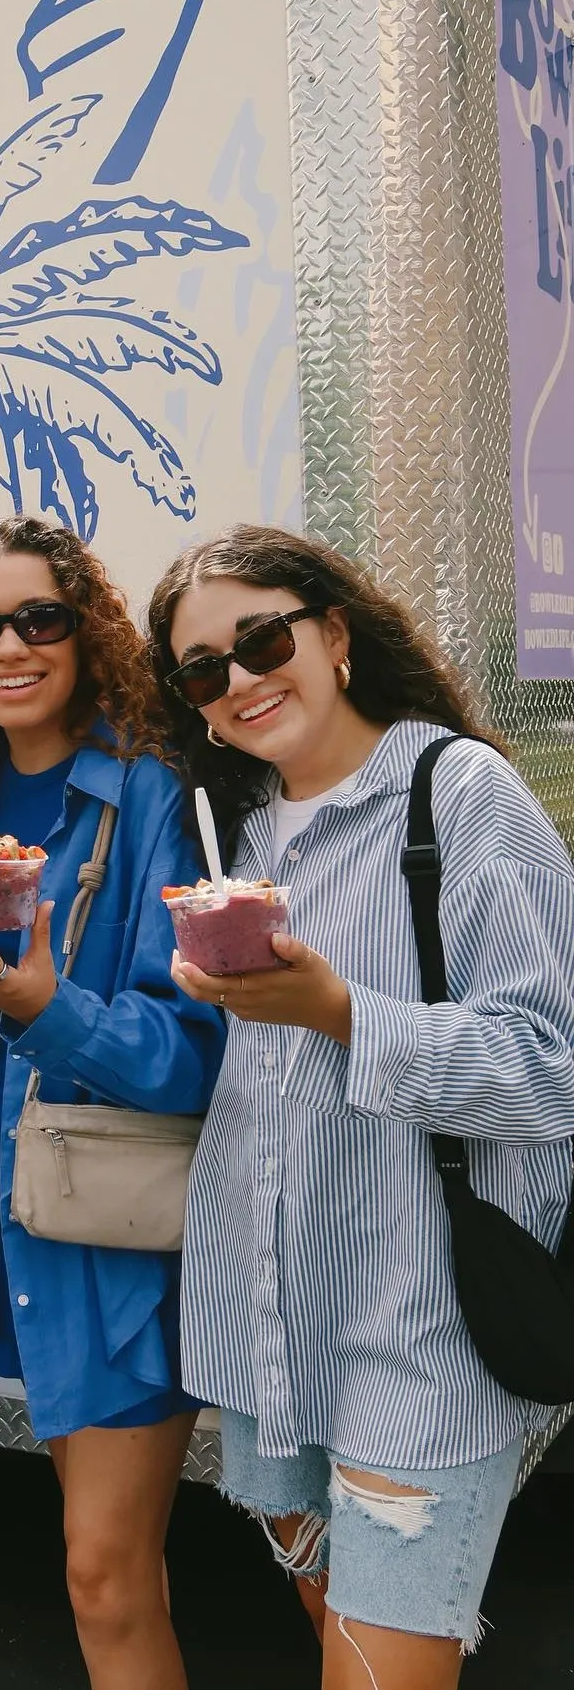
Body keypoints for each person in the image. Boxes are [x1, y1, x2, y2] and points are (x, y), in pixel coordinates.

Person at [147, 524, 574, 1690]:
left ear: (334, 634)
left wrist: (342, 1012)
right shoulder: (243, 833)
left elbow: (550, 1069)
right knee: (337, 1635)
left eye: (261, 639)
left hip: (418, 1327)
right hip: (273, 1329)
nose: (238, 679)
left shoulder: (459, 793)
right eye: (202, 670)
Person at [0, 517, 225, 1690]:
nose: (8, 647)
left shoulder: (145, 792)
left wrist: (45, 1004)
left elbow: (190, 1050)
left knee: (103, 1569)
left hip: (116, 1237)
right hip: (22, 1212)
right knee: (113, 1567)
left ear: (85, 631)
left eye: (40, 617)